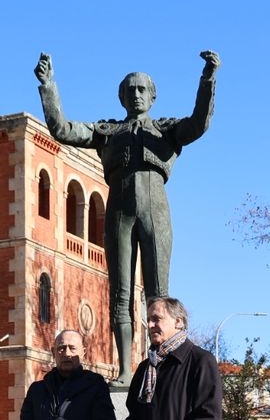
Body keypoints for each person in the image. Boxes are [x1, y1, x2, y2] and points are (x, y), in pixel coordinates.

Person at [34, 51, 219, 387]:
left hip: (155, 210)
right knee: (119, 293)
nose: (135, 94)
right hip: (118, 209)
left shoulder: (167, 130)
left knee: (158, 295)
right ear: (122, 97)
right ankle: (123, 369)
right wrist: (48, 86)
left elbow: (199, 122)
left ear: (152, 96)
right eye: (129, 90)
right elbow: (62, 129)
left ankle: (159, 363)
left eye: (141, 89)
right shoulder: (108, 131)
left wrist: (208, 78)